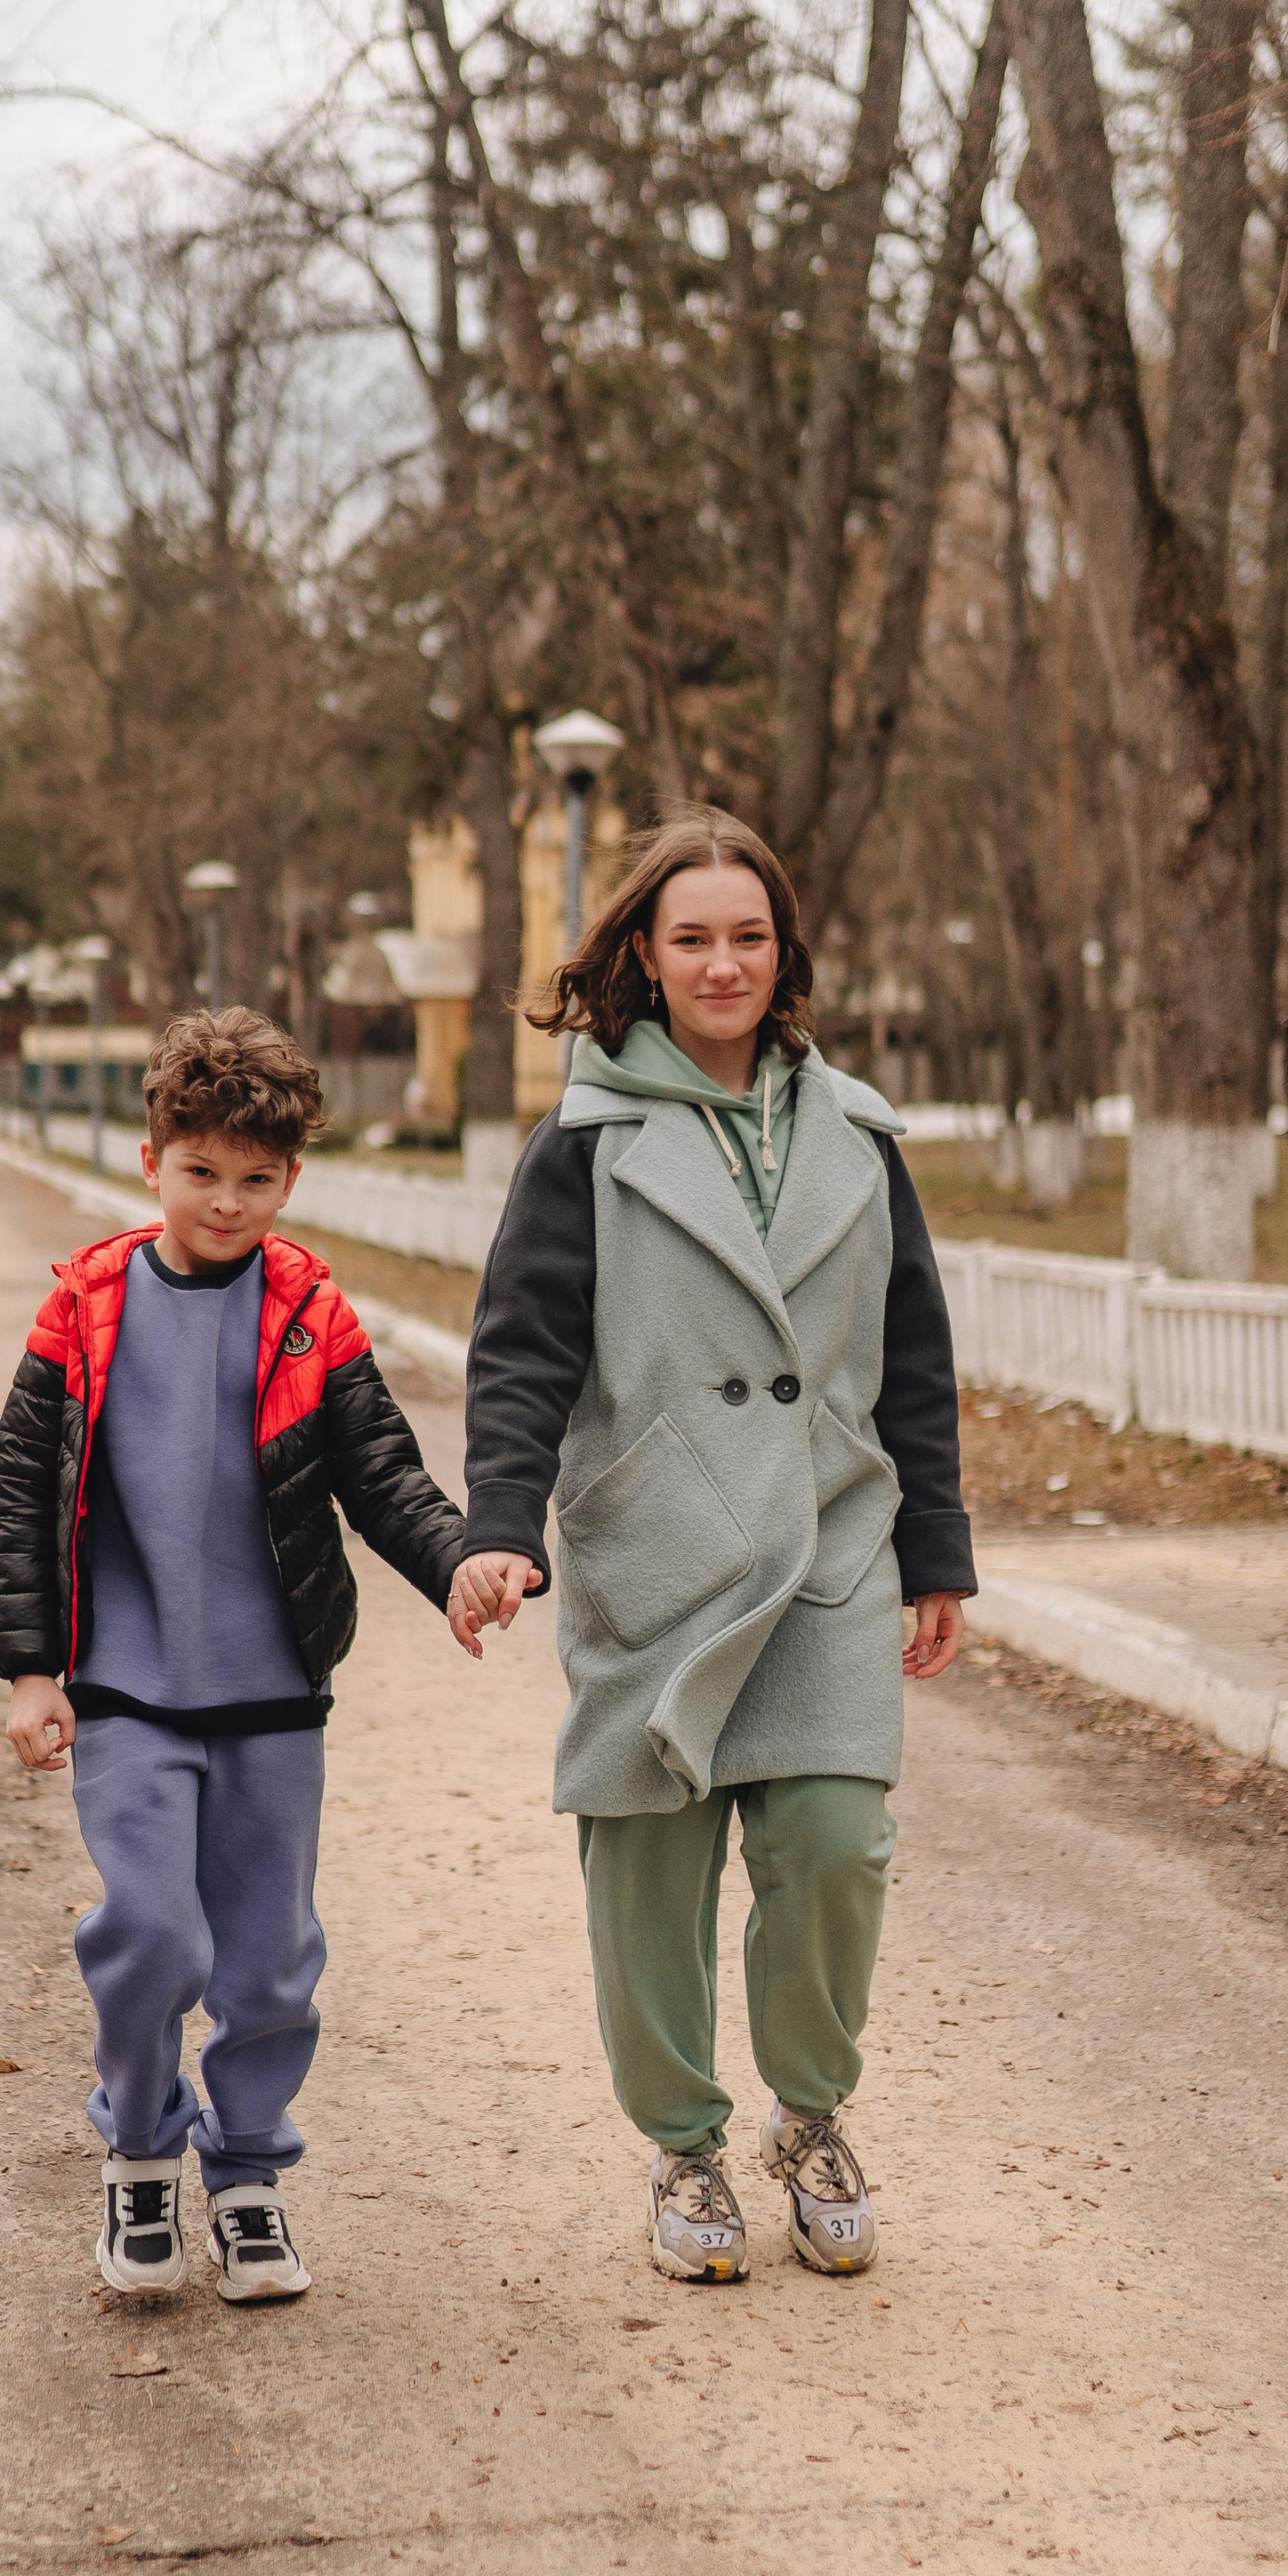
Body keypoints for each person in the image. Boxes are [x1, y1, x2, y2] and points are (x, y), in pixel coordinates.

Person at [447, 809, 975, 2286]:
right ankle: (683, 2144)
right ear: (643, 956)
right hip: (661, 1547)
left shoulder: (862, 1134)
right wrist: (501, 1528)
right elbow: (523, 1351)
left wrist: (937, 1547)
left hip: (829, 1544)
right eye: (692, 938)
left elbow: (912, 1353)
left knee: (833, 1838)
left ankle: (811, 2118)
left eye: (749, 935)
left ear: (783, 951)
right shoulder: (584, 1143)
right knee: (649, 1871)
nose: (724, 961)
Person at [0, 1006, 466, 2306]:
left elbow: (384, 1476)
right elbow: (27, 1494)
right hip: (125, 1685)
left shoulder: (308, 1311)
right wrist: (33, 1670)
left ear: (291, 1182)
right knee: (151, 1932)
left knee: (267, 1962)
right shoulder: (84, 1309)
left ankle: (245, 2176)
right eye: (202, 1172)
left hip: (270, 1691)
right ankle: (142, 2154)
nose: (228, 1203)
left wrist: (458, 1564)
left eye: (258, 1180)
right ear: (152, 1161)